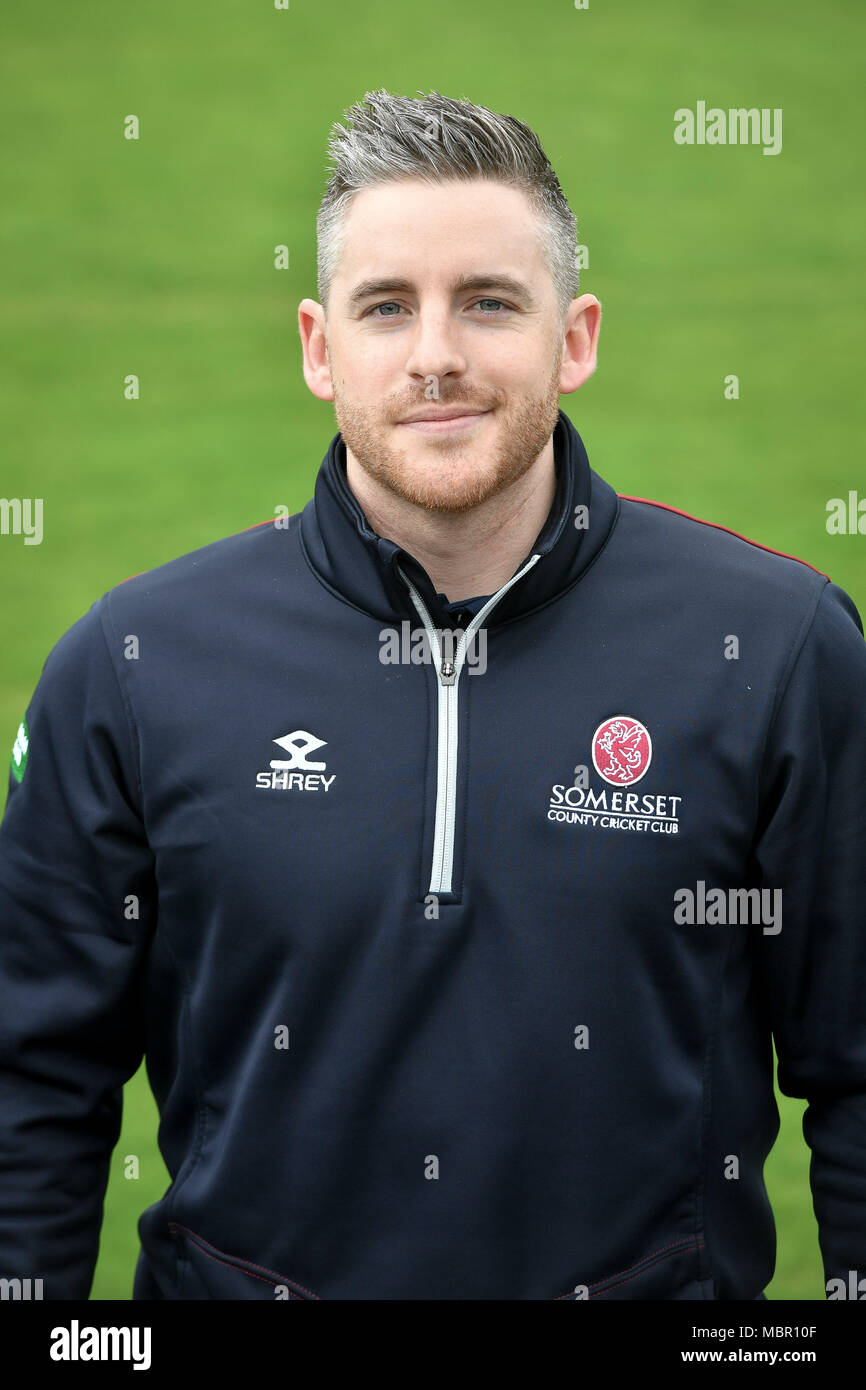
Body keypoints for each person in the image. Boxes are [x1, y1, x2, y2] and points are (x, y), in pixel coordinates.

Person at [1, 88, 864, 1302]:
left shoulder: (773, 647)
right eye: (386, 306)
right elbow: (31, 1083)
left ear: (576, 338)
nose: (436, 354)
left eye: (489, 302)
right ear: (317, 345)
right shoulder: (135, 661)